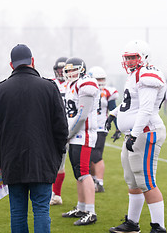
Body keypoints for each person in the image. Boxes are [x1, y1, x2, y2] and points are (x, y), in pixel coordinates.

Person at [0, 44, 68, 233]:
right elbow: (61, 128)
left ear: (11, 65)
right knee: (41, 209)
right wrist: (57, 155)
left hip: (12, 160)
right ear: (32, 61)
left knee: (17, 211)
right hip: (43, 160)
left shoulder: (0, 90)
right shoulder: (49, 87)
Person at [107, 40, 167, 233]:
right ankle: (132, 223)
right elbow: (129, 104)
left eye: (133, 57)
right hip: (134, 133)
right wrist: (113, 114)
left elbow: (146, 109)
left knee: (145, 181)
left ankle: (159, 227)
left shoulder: (147, 75)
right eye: (128, 58)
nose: (130, 61)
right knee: (132, 180)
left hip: (146, 132)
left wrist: (134, 134)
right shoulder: (134, 75)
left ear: (144, 57)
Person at [61, 57, 99, 226]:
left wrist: (68, 133)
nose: (69, 73)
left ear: (82, 69)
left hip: (83, 134)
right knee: (78, 173)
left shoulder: (86, 84)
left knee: (84, 172)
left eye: (72, 69)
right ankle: (82, 207)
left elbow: (82, 116)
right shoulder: (72, 85)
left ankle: (91, 211)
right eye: (67, 70)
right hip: (75, 134)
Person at [88, 66, 120, 193]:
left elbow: (113, 111)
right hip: (88, 127)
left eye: (102, 79)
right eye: (97, 79)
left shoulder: (108, 92)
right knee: (89, 156)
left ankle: (99, 182)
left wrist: (117, 128)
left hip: (101, 127)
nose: (100, 82)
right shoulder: (86, 90)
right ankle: (92, 179)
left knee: (96, 155)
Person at [50, 56, 68, 205]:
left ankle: (56, 194)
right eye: (59, 69)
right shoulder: (51, 83)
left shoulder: (75, 85)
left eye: (64, 69)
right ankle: (51, 193)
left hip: (68, 128)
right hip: (50, 127)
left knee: (61, 163)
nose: (61, 72)